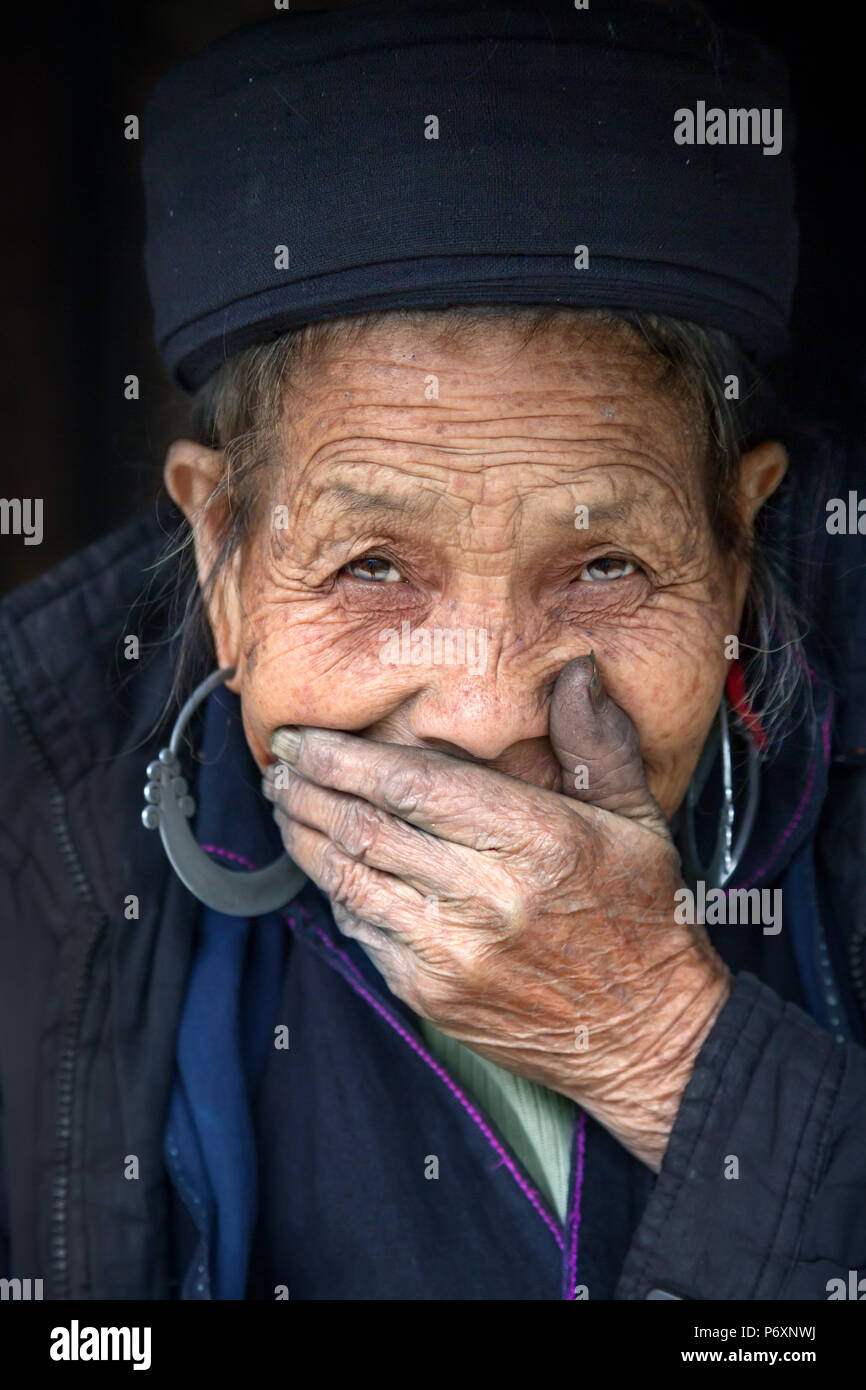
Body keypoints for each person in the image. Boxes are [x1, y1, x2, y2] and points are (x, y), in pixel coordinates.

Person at [1, 0, 864, 1301]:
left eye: (602, 563)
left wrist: (663, 1045)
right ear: (224, 560)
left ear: (735, 549)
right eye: (372, 566)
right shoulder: (30, 833)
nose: (481, 708)